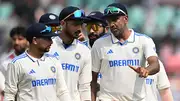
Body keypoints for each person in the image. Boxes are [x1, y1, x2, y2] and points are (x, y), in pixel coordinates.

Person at [91, 3, 160, 101]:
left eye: (115, 19)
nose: (111, 24)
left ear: (126, 19)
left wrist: (146, 70)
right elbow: (93, 81)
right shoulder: (99, 44)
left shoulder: (144, 40)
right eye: (109, 21)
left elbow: (155, 64)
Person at [4, 23, 71, 101]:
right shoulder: (16, 63)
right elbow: (9, 94)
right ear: (35, 40)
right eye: (47, 38)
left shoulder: (54, 60)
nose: (51, 42)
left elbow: (62, 91)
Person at [49, 6, 92, 101]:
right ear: (63, 23)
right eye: (75, 24)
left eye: (81, 24)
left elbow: (84, 87)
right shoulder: (48, 47)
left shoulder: (85, 51)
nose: (79, 28)